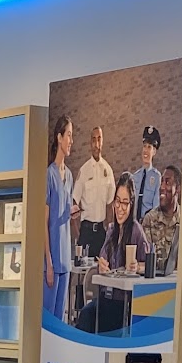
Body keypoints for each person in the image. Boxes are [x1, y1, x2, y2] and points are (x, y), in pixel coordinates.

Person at [74, 176, 151, 334]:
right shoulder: (110, 230)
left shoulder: (136, 231)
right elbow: (102, 260)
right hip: (106, 297)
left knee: (97, 320)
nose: (120, 208)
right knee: (86, 315)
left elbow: (149, 265)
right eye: (117, 201)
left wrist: (137, 267)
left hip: (123, 303)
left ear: (131, 204)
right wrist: (101, 266)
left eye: (125, 203)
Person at [44, 115, 75, 325]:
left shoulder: (70, 176)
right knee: (48, 323)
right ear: (59, 137)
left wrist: (72, 213)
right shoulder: (49, 175)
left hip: (65, 260)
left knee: (60, 321)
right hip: (52, 261)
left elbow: (64, 213)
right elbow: (44, 223)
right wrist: (48, 262)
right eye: (69, 135)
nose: (71, 141)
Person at [72, 125, 115, 268]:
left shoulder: (108, 171)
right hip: (86, 231)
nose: (96, 144)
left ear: (102, 141)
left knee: (101, 270)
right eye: (93, 140)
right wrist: (78, 234)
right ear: (90, 143)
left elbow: (110, 204)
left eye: (99, 139)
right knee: (82, 273)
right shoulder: (84, 170)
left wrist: (110, 233)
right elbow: (74, 202)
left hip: (101, 233)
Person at [141, 164, 180, 275]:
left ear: (177, 189)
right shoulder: (150, 219)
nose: (162, 187)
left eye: (167, 182)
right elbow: (144, 261)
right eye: (161, 182)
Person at [129, 126, 163, 219]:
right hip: (134, 224)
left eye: (149, 147)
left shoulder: (157, 177)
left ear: (154, 151)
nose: (145, 150)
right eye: (144, 146)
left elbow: (156, 207)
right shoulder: (135, 176)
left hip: (148, 224)